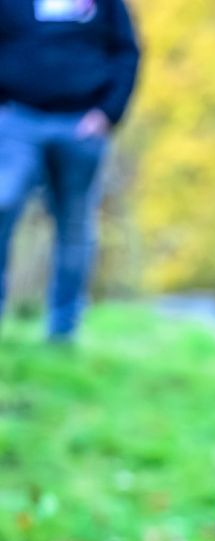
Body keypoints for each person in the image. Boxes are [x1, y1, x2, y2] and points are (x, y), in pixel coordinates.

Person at [0, 0, 138, 344]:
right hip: (17, 118)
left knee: (74, 224)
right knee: (4, 202)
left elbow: (126, 51)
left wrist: (108, 112)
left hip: (80, 125)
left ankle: (62, 332)